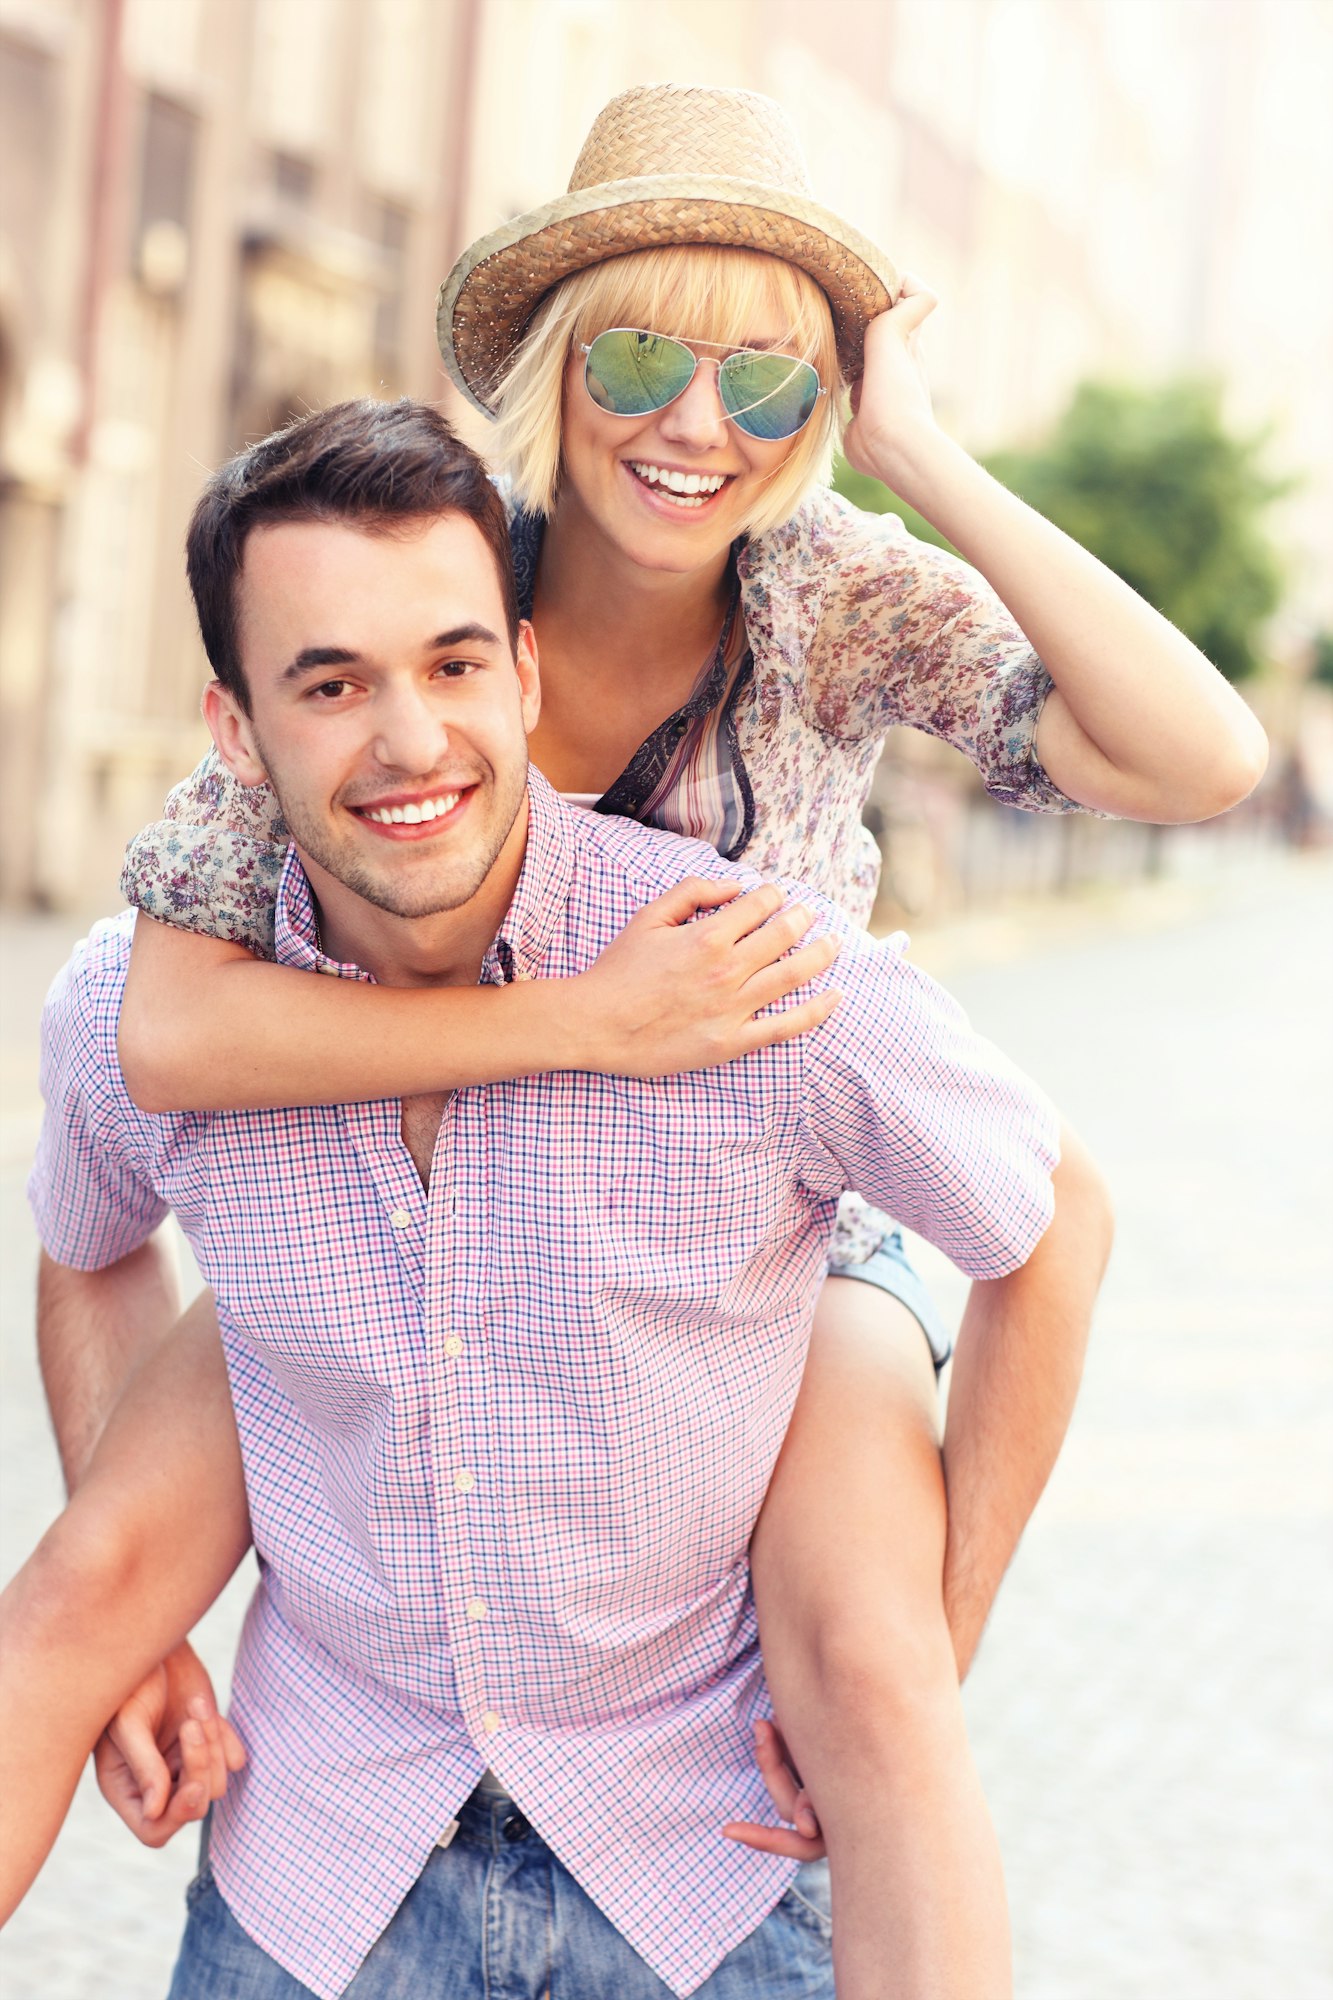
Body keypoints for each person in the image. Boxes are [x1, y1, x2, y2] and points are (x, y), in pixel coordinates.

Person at [35, 78, 1258, 1990]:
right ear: (551, 358)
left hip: (760, 1213)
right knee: (82, 1600)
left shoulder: (834, 596)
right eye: (643, 359)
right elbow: (165, 1032)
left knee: (873, 1670)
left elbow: (1197, 758)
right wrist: (583, 1020)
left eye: (768, 385)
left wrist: (914, 448)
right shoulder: (426, 592)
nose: (699, 429)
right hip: (400, 1178)